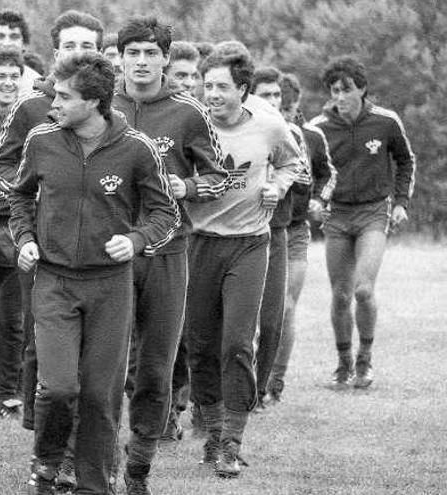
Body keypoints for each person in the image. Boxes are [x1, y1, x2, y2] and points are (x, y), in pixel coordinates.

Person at [11, 51, 179, 495]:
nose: (54, 105)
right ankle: (46, 465)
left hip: (110, 286)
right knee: (60, 387)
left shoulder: (136, 149)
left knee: (100, 395)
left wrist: (137, 240)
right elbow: (19, 198)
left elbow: (166, 213)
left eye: (64, 97)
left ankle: (93, 484)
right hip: (53, 281)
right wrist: (26, 239)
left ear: (95, 101)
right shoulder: (41, 141)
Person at [0, 11, 105, 491]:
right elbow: (1, 166)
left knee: (98, 373)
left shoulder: (115, 110)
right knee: (53, 364)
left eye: (87, 45)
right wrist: (36, 203)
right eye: (69, 46)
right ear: (54, 53)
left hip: (111, 258)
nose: (77, 52)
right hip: (47, 255)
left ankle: (82, 460)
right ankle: (48, 453)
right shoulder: (33, 109)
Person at [111, 17, 228, 494]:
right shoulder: (102, 105)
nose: (141, 61)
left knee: (156, 366)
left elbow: (223, 177)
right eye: (133, 52)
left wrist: (189, 185)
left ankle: (138, 466)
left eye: (150, 53)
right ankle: (95, 460)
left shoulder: (187, 113)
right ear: (120, 57)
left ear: (165, 58)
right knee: (109, 365)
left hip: (167, 251)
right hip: (109, 255)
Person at [186, 45, 301, 478]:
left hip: (250, 244)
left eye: (221, 87)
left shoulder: (271, 125)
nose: (211, 94)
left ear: (243, 89)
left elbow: (294, 164)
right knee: (200, 344)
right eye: (207, 85)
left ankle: (232, 440)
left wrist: (279, 186)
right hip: (199, 242)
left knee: (237, 342)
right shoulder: (190, 123)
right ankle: (212, 432)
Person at [310, 56, 415, 389]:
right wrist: (314, 202)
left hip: (373, 212)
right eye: (334, 90)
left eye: (347, 90)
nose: (339, 97)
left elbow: (406, 161)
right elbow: (307, 173)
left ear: (362, 89)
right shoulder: (318, 128)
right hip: (337, 216)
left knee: (364, 290)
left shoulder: (385, 122)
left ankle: (365, 361)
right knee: (340, 296)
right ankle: (343, 364)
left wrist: (400, 203)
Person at [266, 72, 337, 402]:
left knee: (286, 307)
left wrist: (317, 199)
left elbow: (324, 174)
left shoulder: (307, 136)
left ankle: (274, 382)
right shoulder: (248, 132)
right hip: (255, 229)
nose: (283, 111)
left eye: (287, 104)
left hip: (293, 230)